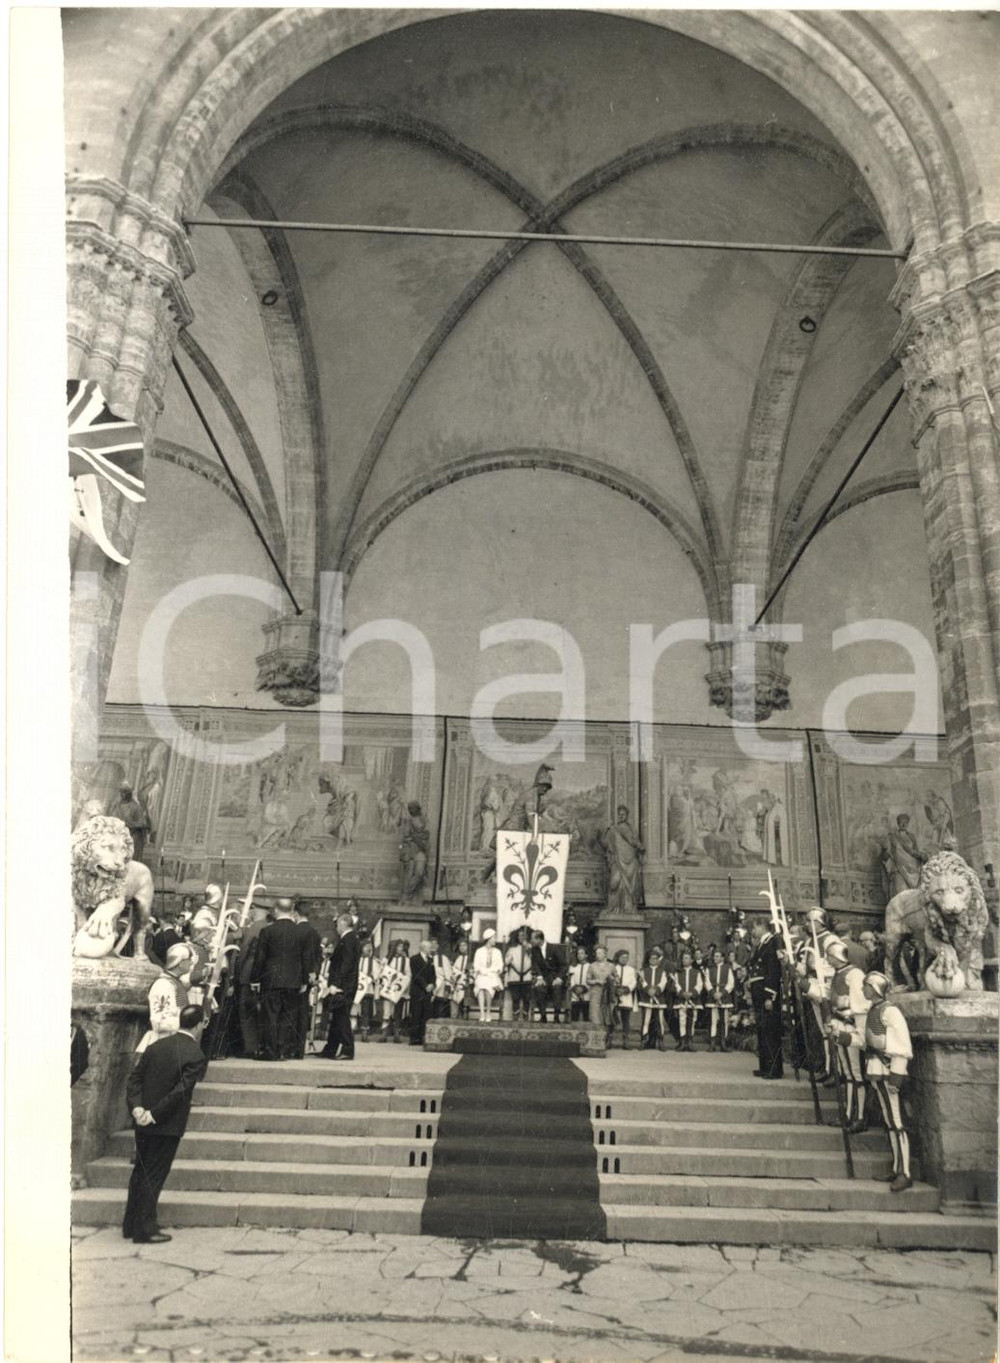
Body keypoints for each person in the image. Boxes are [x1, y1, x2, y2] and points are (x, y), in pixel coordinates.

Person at [122, 1005, 207, 1243]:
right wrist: (154, 1114)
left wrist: (137, 1108)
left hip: (143, 1120)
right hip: (166, 1123)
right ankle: (145, 1229)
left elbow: (134, 1079)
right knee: (154, 1174)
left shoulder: (155, 1046)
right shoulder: (196, 1055)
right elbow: (180, 1092)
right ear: (200, 1025)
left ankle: (130, 1223)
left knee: (140, 1171)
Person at [860, 971, 914, 1193]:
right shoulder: (873, 1010)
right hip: (876, 1067)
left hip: (888, 1070)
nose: (863, 989)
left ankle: (905, 1172)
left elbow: (901, 1046)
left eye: (866, 986)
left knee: (896, 1121)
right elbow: (866, 1041)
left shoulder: (890, 1011)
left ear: (874, 988)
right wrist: (840, 1036)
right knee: (889, 1121)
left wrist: (896, 1077)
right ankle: (896, 1167)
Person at [250, 898, 310, 1061]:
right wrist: (304, 980)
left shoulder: (267, 931)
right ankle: (284, 1050)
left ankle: (271, 1051)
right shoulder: (300, 932)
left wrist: (255, 979)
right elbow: (305, 958)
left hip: (271, 980)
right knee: (289, 1016)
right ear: (292, 911)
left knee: (270, 1015)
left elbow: (260, 958)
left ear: (276, 911)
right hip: (293, 980)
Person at [823, 939, 870, 1134]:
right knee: (848, 1072)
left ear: (836, 957)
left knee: (856, 1072)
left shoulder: (855, 974)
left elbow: (860, 1003)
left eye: (829, 956)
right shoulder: (837, 974)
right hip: (838, 1023)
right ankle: (849, 1114)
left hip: (851, 1026)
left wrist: (843, 1005)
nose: (827, 960)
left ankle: (860, 1117)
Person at [137, 943, 199, 1052]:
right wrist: (190, 1021)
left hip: (173, 1040)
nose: (191, 962)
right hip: (163, 1043)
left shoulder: (176, 982)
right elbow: (160, 1021)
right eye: (189, 959)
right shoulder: (163, 984)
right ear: (181, 962)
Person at [317, 913, 361, 1059]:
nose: (336, 928)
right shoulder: (349, 939)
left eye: (337, 924)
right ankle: (330, 1049)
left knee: (341, 1018)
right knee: (337, 1018)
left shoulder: (348, 939)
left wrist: (336, 984)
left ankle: (348, 1049)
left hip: (343, 986)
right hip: (345, 984)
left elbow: (346, 964)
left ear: (343, 924)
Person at [747, 918, 783, 1079]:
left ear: (762, 927)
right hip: (758, 992)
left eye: (754, 927)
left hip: (765, 993)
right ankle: (765, 1066)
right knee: (762, 1030)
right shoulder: (762, 943)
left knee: (770, 1031)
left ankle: (773, 1069)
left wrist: (770, 996)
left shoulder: (772, 942)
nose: (752, 931)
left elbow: (773, 971)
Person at [234, 905, 269, 1059]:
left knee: (246, 1011)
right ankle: (260, 1044)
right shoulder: (268, 927)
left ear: (254, 912)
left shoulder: (253, 928)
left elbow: (243, 952)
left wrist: (237, 972)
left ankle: (250, 1046)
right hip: (265, 974)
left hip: (248, 973)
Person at [601, 805, 645, 915]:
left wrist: (640, 848)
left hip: (630, 861)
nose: (621, 816)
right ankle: (613, 907)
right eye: (619, 814)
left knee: (630, 886)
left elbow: (635, 842)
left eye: (623, 814)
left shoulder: (631, 829)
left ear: (627, 815)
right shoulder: (613, 830)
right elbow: (605, 844)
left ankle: (628, 908)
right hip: (617, 860)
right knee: (614, 883)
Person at [292, 903, 323, 1057]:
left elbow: (299, 958)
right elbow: (317, 957)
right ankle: (299, 1050)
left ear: (296, 914)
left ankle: (289, 1047)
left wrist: (302, 979)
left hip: (295, 979)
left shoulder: (294, 931)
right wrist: (313, 975)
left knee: (291, 1014)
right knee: (303, 1014)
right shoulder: (314, 933)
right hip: (309, 978)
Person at [881, 813, 926, 897]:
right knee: (901, 892)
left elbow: (915, 851)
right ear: (898, 823)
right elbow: (886, 853)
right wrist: (884, 851)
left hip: (912, 869)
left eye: (906, 822)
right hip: (898, 867)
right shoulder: (892, 836)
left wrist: (922, 856)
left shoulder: (911, 837)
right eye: (901, 822)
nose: (904, 824)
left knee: (913, 895)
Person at [377, 940, 411, 1041]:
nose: (401, 949)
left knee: (398, 1011)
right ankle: (384, 1033)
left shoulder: (406, 960)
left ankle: (397, 1033)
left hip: (398, 989)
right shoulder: (386, 960)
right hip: (388, 989)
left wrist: (404, 980)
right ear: (394, 948)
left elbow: (408, 973)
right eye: (399, 947)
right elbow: (381, 973)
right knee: (386, 1011)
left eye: (402, 947)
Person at [637, 947, 670, 1050]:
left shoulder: (663, 971)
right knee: (646, 1021)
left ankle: (660, 1041)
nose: (653, 960)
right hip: (646, 999)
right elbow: (642, 981)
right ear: (648, 959)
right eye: (651, 958)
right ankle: (644, 1040)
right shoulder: (643, 971)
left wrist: (656, 990)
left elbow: (663, 983)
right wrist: (648, 989)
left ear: (658, 960)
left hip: (659, 999)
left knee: (659, 1021)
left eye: (655, 958)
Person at [529, 931, 566, 1023]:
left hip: (555, 977)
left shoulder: (554, 948)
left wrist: (559, 978)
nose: (531, 941)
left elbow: (564, 965)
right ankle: (543, 1016)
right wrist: (540, 977)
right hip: (544, 977)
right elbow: (535, 965)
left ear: (539, 939)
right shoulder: (534, 950)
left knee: (557, 988)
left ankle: (557, 1017)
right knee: (539, 988)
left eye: (532, 938)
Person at [704, 946, 736, 1051]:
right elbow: (707, 982)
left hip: (724, 997)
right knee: (713, 1020)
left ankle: (723, 1043)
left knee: (724, 1020)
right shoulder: (709, 969)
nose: (715, 958)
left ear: (722, 957)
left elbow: (731, 983)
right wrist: (713, 993)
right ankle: (712, 1043)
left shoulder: (727, 968)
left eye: (717, 956)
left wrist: (722, 993)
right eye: (714, 956)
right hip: (713, 997)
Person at [110, 783, 150, 863]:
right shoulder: (116, 805)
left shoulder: (135, 807)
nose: (122, 794)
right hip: (118, 835)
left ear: (129, 793)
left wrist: (128, 824)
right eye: (121, 792)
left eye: (124, 792)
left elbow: (142, 823)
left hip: (131, 836)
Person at [672, 948, 702, 1052]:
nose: (685, 960)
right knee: (682, 1020)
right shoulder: (678, 973)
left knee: (692, 1020)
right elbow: (676, 984)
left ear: (691, 960)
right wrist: (682, 993)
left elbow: (699, 985)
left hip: (693, 1000)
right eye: (684, 958)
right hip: (681, 1000)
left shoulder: (696, 972)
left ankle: (690, 1042)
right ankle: (682, 1042)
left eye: (687, 958)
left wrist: (692, 993)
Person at [407, 939, 436, 1045]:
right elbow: (416, 975)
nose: (431, 949)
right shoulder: (414, 959)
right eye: (429, 947)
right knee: (416, 1014)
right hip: (417, 991)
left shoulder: (430, 960)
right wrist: (425, 986)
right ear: (423, 948)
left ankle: (423, 1036)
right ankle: (414, 1038)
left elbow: (433, 974)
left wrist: (432, 984)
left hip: (427, 992)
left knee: (426, 1014)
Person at [399, 801, 430, 901]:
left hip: (421, 850)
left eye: (413, 808)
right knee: (408, 873)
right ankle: (406, 895)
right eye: (410, 809)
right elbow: (405, 836)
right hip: (410, 849)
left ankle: (408, 892)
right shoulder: (408, 821)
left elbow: (427, 835)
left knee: (419, 873)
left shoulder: (424, 819)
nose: (411, 810)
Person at [472, 929, 504, 1023]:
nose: (495, 940)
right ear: (489, 939)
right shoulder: (479, 951)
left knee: (487, 985)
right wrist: (485, 972)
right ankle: (482, 1013)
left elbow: (500, 966)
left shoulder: (498, 952)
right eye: (494, 938)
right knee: (482, 985)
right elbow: (476, 966)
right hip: (482, 975)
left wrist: (493, 972)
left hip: (493, 976)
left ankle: (488, 1011)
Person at [352, 939, 381, 1041]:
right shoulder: (356, 960)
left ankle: (364, 1032)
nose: (369, 948)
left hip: (368, 990)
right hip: (356, 989)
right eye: (366, 946)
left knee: (366, 1011)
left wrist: (372, 978)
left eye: (370, 946)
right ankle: (352, 1029)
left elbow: (377, 976)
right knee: (354, 1009)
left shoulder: (374, 962)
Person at [586, 943, 615, 1039]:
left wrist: (611, 978)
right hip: (595, 992)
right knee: (595, 1014)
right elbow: (588, 980)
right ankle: (596, 1037)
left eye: (600, 953)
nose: (598, 955)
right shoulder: (592, 966)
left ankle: (607, 1038)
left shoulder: (611, 966)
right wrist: (597, 981)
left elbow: (617, 978)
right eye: (597, 953)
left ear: (605, 954)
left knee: (607, 1014)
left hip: (607, 993)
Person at [610, 949, 638, 1049]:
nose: (624, 959)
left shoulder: (631, 969)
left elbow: (633, 982)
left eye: (626, 957)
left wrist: (626, 989)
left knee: (626, 1020)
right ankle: (609, 1040)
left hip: (626, 997)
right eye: (622, 957)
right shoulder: (613, 968)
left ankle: (626, 1041)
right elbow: (610, 980)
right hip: (615, 997)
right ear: (618, 958)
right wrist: (616, 990)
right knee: (612, 1018)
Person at [505, 927, 534, 1021]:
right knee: (516, 998)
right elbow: (506, 962)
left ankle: (525, 1015)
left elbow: (535, 959)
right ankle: (515, 1015)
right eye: (520, 935)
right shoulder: (512, 949)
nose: (522, 937)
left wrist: (527, 948)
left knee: (527, 998)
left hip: (527, 976)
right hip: (515, 976)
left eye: (524, 935)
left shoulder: (532, 948)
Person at [567, 945, 591, 1022]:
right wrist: (575, 989)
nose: (580, 955)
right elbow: (571, 979)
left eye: (582, 953)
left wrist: (583, 989)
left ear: (586, 955)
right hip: (575, 994)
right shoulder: (573, 967)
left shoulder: (590, 967)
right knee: (574, 1016)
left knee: (586, 1016)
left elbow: (590, 980)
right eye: (578, 953)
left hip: (586, 994)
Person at [449, 939, 472, 1019]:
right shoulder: (457, 958)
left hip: (466, 983)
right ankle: (454, 1017)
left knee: (463, 1000)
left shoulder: (470, 958)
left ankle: (463, 1018)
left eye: (464, 945)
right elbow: (454, 970)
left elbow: (471, 972)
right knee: (454, 999)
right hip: (456, 982)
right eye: (460, 946)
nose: (462, 947)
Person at [430, 942, 453, 1019]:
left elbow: (448, 975)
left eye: (435, 943)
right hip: (427, 991)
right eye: (431, 943)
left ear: (438, 946)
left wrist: (447, 990)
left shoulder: (442, 958)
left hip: (440, 991)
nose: (433, 945)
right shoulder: (426, 957)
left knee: (439, 1013)